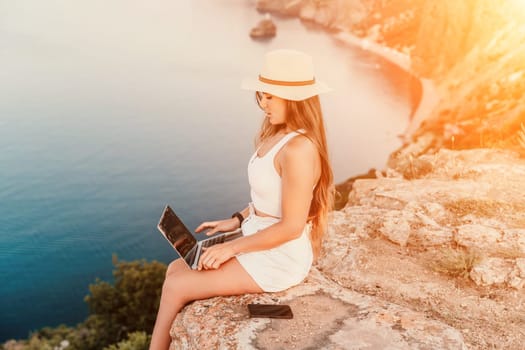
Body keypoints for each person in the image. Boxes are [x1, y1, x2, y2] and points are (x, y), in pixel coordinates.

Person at [149, 49, 334, 349]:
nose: (263, 103)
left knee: (176, 285)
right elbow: (270, 198)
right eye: (262, 95)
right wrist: (236, 219)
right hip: (257, 239)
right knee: (174, 268)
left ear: (295, 97)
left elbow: (291, 227)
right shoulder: (277, 134)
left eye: (271, 96)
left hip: (279, 256)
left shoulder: (299, 149)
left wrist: (231, 248)